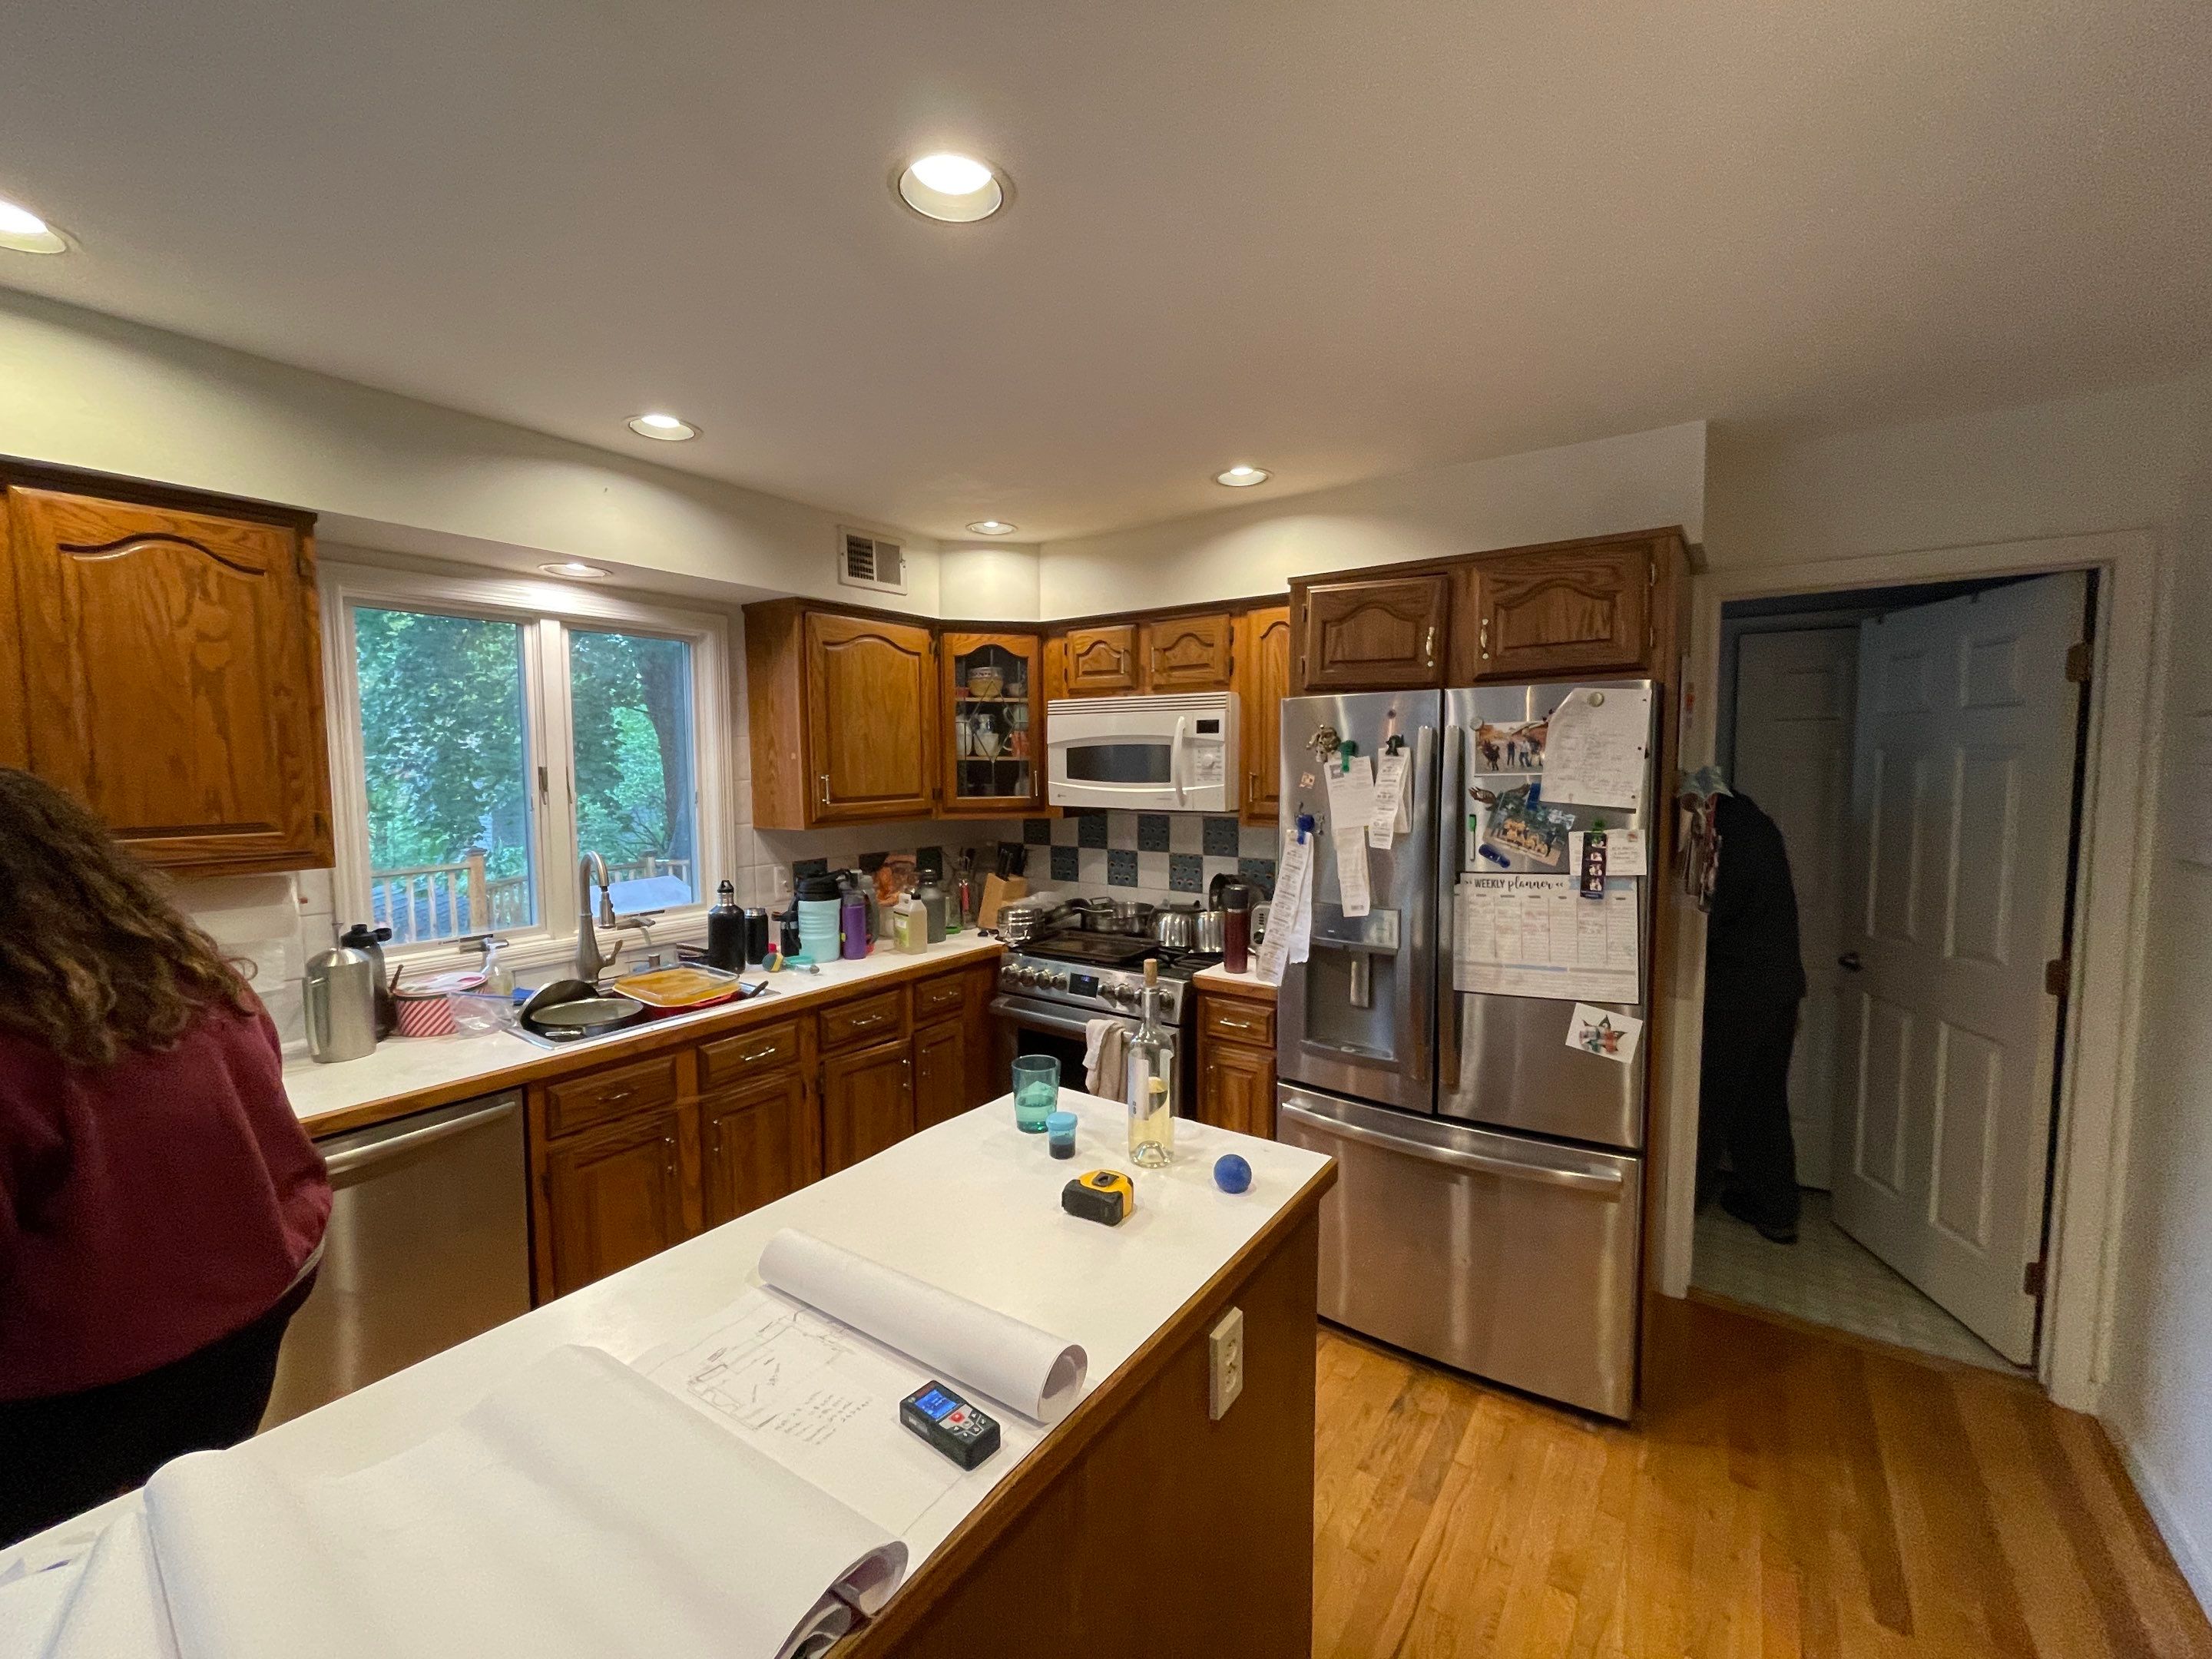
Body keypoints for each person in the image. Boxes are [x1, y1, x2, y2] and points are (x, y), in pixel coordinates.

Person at [0, 770, 331, 1547]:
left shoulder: (18, 1041)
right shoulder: (196, 982)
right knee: (189, 1536)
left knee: (63, 1577)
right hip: (246, 1323)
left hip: (81, 1382)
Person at [1697, 785, 1808, 1243]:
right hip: (1778, 987)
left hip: (1737, 991)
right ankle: (1776, 1208)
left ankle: (1683, 1203)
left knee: (1707, 1101)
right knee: (1761, 1099)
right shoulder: (1754, 821)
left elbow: (1708, 915)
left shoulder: (1722, 830)